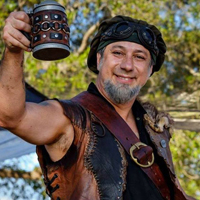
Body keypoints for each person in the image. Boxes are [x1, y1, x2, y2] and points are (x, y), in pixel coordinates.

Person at [0, 11, 195, 200]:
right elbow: (11, 117)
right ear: (99, 59)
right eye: (117, 53)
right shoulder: (70, 118)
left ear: (150, 69)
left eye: (139, 57)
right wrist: (14, 50)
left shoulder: (153, 125)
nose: (127, 65)